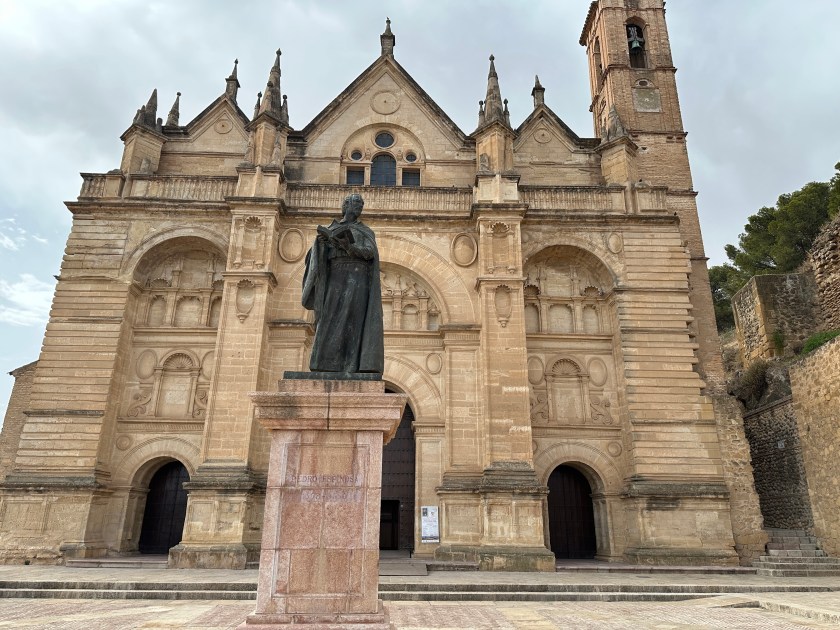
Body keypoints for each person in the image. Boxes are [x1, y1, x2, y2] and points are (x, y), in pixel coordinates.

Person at [302, 193, 384, 374]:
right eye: (356, 204)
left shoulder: (366, 231)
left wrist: (349, 247)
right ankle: (324, 363)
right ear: (346, 206)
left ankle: (351, 366)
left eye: (361, 205)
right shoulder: (333, 227)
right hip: (335, 277)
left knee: (354, 322)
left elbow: (369, 253)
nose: (359, 208)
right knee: (329, 319)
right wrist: (322, 244)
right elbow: (313, 258)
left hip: (358, 278)